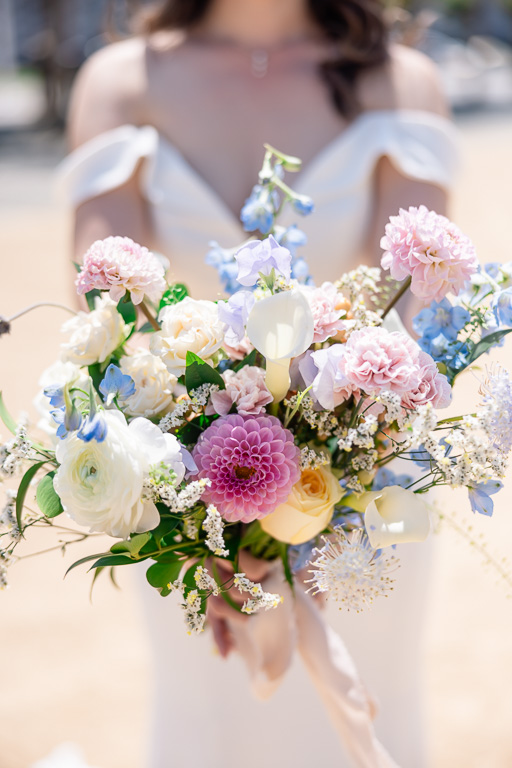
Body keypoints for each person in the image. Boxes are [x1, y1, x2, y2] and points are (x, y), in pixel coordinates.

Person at [59, 1, 459, 765]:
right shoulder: (120, 82)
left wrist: (311, 472)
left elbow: (409, 322)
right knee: (209, 720)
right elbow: (108, 323)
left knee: (370, 706)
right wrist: (210, 526)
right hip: (179, 489)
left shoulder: (401, 82)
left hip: (363, 493)